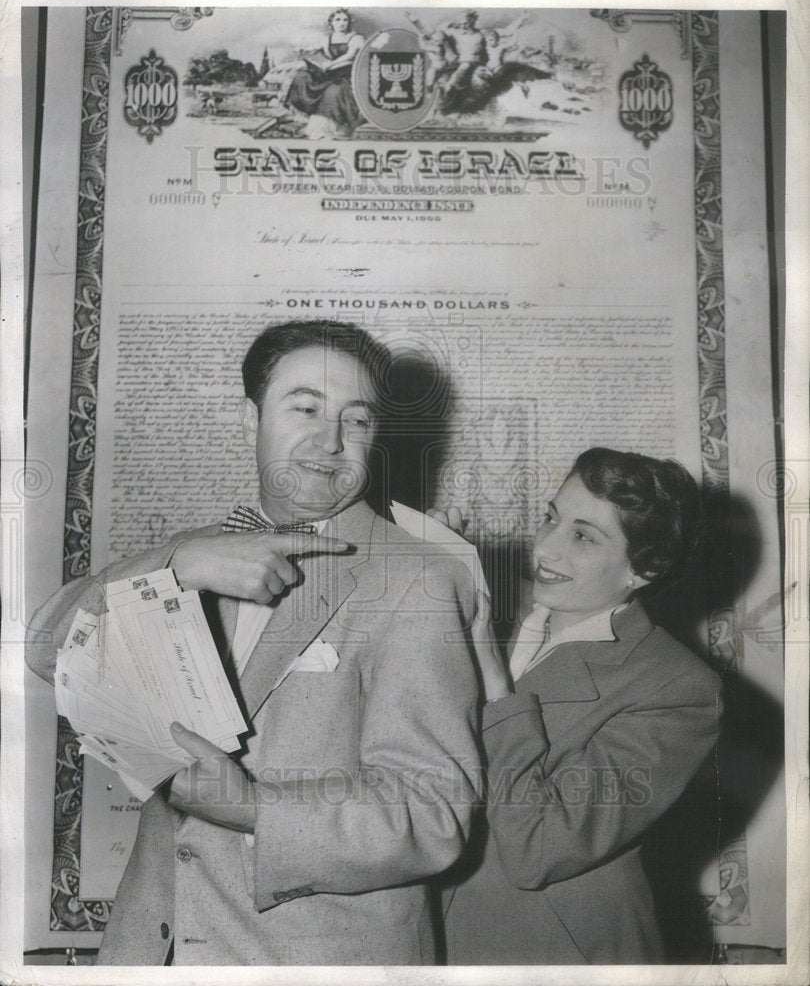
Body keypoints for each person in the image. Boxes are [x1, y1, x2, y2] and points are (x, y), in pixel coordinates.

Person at [26, 319, 482, 966]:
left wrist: (249, 807)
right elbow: (44, 648)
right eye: (306, 408)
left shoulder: (420, 580)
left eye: (357, 421)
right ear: (251, 420)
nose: (330, 442)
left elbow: (435, 816)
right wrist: (179, 564)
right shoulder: (195, 556)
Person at [435, 448, 723, 964]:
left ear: (645, 567)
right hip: (430, 938)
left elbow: (538, 848)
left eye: (583, 536)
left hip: (554, 953)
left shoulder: (678, 688)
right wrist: (426, 565)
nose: (545, 547)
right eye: (551, 516)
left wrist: (498, 687)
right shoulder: (484, 602)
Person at [285, 8, 364, 136]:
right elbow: (313, 49)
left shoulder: (356, 38)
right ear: (331, 23)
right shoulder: (328, 39)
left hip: (348, 76)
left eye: (345, 20)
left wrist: (330, 64)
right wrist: (302, 49)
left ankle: (333, 127)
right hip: (330, 73)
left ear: (349, 22)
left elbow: (349, 56)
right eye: (338, 20)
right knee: (302, 76)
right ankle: (305, 117)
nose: (342, 23)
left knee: (333, 90)